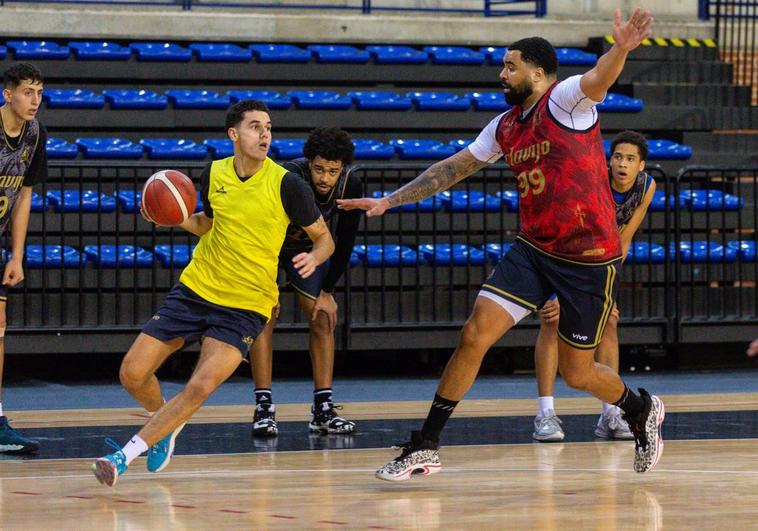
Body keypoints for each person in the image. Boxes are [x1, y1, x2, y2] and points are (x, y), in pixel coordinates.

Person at [339, 8, 664, 481]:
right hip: (533, 249)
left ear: (536, 72)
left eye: (510, 65)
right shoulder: (505, 125)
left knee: (577, 374)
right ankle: (426, 444)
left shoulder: (565, 101)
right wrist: (391, 200)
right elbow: (452, 168)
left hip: (587, 257)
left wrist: (620, 49)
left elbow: (599, 78)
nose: (501, 72)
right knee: (474, 333)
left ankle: (640, 407)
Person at [91, 100, 335, 487]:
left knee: (200, 385)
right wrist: (173, 217)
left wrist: (313, 257)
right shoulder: (214, 172)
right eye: (255, 126)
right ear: (233, 134)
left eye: (268, 126)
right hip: (197, 288)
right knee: (132, 374)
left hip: (246, 304)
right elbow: (208, 223)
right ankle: (165, 428)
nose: (265, 134)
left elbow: (325, 239)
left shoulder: (288, 184)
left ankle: (124, 456)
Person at [532, 130, 655, 443]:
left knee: (609, 321)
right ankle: (545, 414)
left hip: (599, 263)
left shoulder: (646, 187)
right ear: (608, 160)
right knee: (551, 319)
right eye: (617, 157)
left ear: (641, 166)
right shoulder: (592, 181)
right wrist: (561, 290)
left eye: (630, 159)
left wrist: (607, 291)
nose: (622, 164)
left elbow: (622, 241)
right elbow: (569, 231)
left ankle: (611, 414)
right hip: (557, 250)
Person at [250, 127, 360, 437]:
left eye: (333, 171)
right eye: (320, 169)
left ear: (343, 170)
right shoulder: (287, 177)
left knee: (323, 317)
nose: (325, 177)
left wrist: (327, 291)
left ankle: (323, 410)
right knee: (264, 316)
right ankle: (263, 407)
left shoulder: (350, 183)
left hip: (307, 250)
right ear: (308, 162)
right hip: (267, 247)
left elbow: (345, 241)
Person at [0, 63, 47, 454]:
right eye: (28, 92)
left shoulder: (34, 134)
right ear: (7, 94)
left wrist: (17, 255)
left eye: (39, 93)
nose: (35, 100)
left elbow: (24, 195)